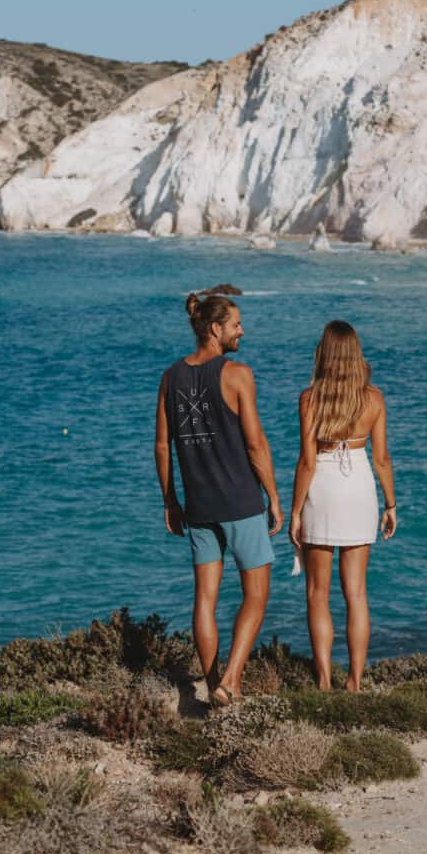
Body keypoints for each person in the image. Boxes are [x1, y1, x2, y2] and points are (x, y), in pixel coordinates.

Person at [154, 285, 284, 707]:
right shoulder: (237, 374)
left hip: (199, 505)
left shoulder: (170, 377)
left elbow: (161, 446)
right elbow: (255, 445)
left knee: (204, 599)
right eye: (236, 325)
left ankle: (212, 689)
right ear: (215, 328)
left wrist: (170, 502)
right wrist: (275, 497)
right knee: (257, 594)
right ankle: (230, 680)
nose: (242, 332)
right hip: (241, 501)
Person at [289, 320, 396, 691]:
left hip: (324, 488)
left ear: (324, 352)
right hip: (360, 487)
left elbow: (307, 463)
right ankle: (355, 681)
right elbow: (381, 458)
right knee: (357, 593)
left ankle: (323, 680)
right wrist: (390, 504)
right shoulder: (374, 399)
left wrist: (296, 512)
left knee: (318, 593)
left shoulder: (310, 399)